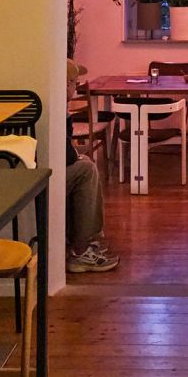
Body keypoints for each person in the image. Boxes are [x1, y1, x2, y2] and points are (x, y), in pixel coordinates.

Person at [66, 60, 119, 273]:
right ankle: (83, 248)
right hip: (43, 171)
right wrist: (76, 157)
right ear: (66, 84)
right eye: (75, 83)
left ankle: (85, 241)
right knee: (87, 169)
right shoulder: (57, 108)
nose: (76, 87)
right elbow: (64, 152)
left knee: (85, 164)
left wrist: (76, 156)